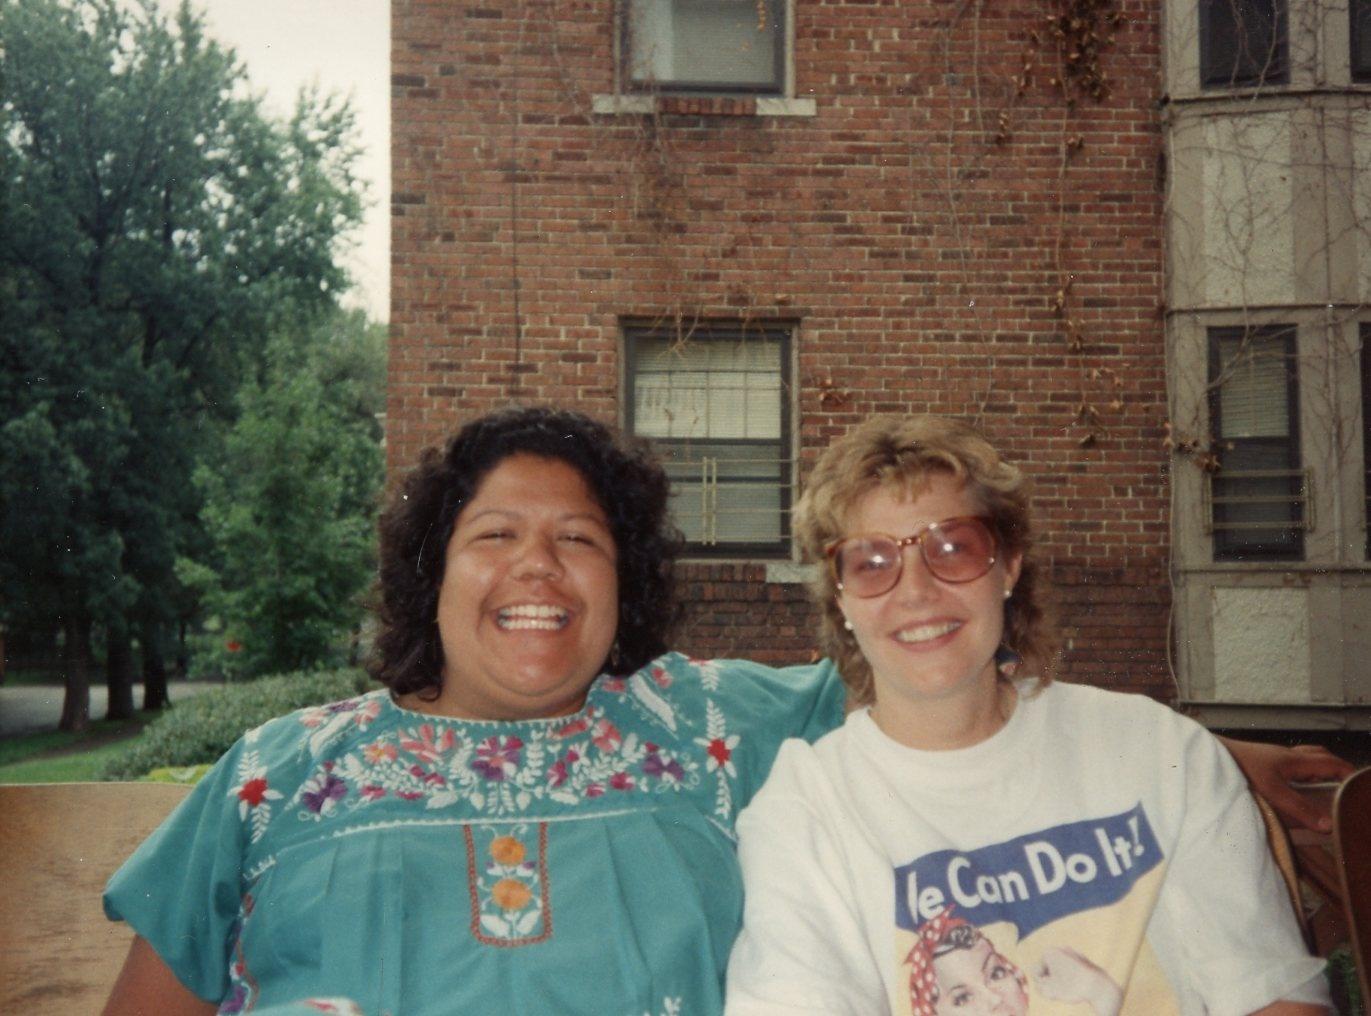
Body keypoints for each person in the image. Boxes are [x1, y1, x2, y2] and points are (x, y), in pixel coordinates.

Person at [104, 408, 1345, 1016]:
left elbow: (940, 670)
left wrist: (1194, 752)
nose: (538, 571)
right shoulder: (283, 768)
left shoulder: (698, 724)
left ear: (626, 578)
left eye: (579, 541)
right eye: (496, 536)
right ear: (431, 567)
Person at [725, 415, 1332, 1015]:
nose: (916, 591)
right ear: (841, 597)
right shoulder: (804, 812)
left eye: (954, 547)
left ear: (1008, 565)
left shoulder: (1156, 747)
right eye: (872, 561)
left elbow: (1275, 999)